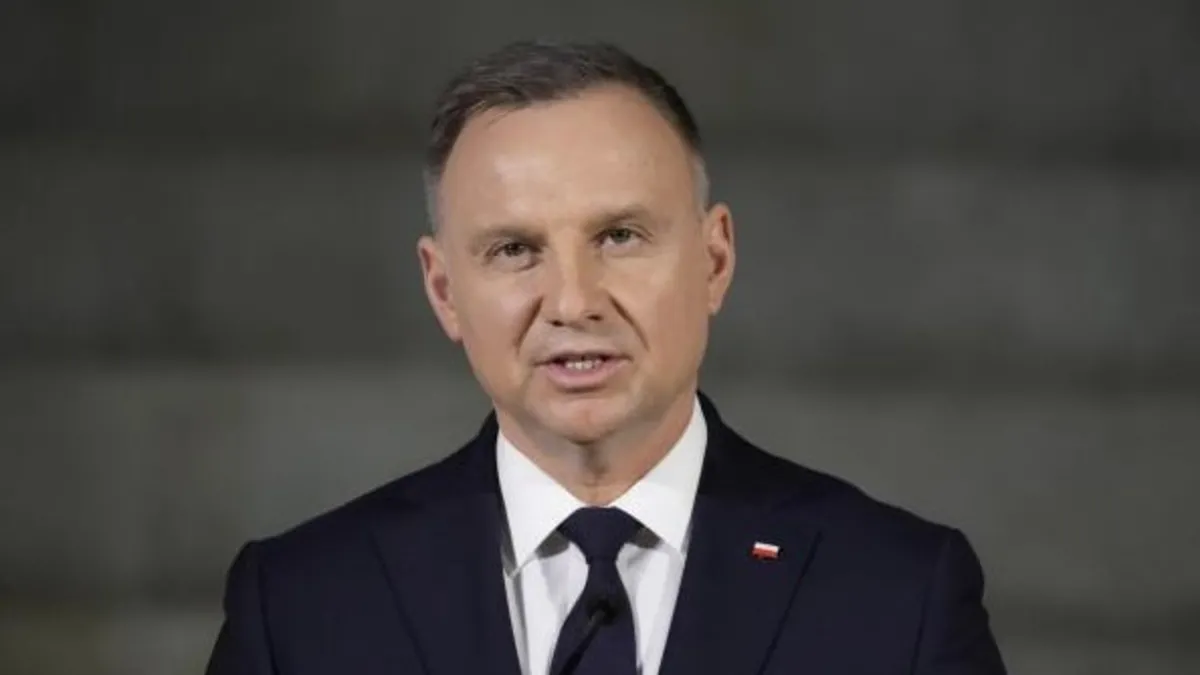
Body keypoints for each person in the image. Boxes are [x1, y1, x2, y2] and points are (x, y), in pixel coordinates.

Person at [205, 40, 1007, 675]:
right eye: (515, 249)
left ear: (715, 260)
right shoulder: (300, 607)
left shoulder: (901, 594)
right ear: (444, 290)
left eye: (620, 236)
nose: (573, 300)